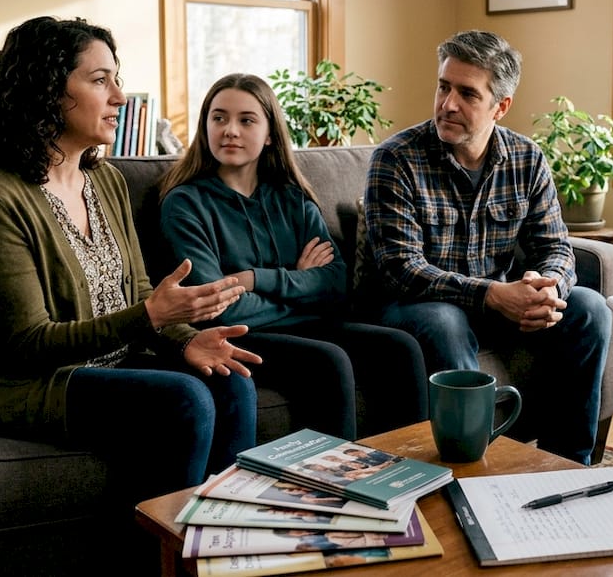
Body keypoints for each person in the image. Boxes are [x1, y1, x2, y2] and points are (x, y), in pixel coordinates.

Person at [0, 17, 261, 520]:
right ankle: (163, 559)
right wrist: (150, 319)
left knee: (230, 379)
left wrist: (184, 339)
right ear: (47, 89)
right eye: (100, 80)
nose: (120, 95)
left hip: (112, 361)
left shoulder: (105, 179)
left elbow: (137, 290)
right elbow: (28, 343)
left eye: (116, 78)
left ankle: (229, 539)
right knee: (184, 399)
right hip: (26, 379)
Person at [359, 29, 611, 465]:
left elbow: (555, 245)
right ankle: (477, 465)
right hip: (409, 307)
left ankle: (568, 465)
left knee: (589, 308)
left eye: (467, 94)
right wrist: (494, 294)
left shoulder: (526, 159)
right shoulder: (396, 159)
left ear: (501, 106)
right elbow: (401, 268)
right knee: (444, 320)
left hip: (492, 306)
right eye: (443, 87)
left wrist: (549, 285)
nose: (447, 104)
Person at [157, 73, 428, 439]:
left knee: (400, 347)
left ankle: (411, 475)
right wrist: (301, 290)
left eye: (246, 120)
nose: (230, 130)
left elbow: (335, 284)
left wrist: (254, 279)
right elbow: (217, 306)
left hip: (305, 324)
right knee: (327, 361)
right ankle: (336, 487)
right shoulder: (185, 204)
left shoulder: (292, 198)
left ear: (269, 133)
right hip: (239, 335)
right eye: (218, 118)